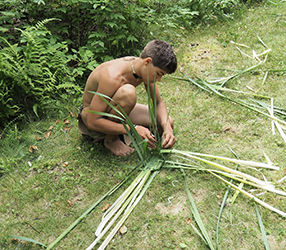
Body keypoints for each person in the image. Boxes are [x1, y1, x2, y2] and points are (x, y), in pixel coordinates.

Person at [78, 40, 177, 157]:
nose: (159, 80)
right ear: (148, 61)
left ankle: (123, 130)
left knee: (167, 121)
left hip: (116, 110)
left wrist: (167, 128)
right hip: (92, 117)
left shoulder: (142, 68)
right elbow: (92, 121)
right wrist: (133, 129)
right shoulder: (112, 77)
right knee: (128, 93)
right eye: (159, 74)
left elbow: (158, 103)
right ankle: (111, 140)